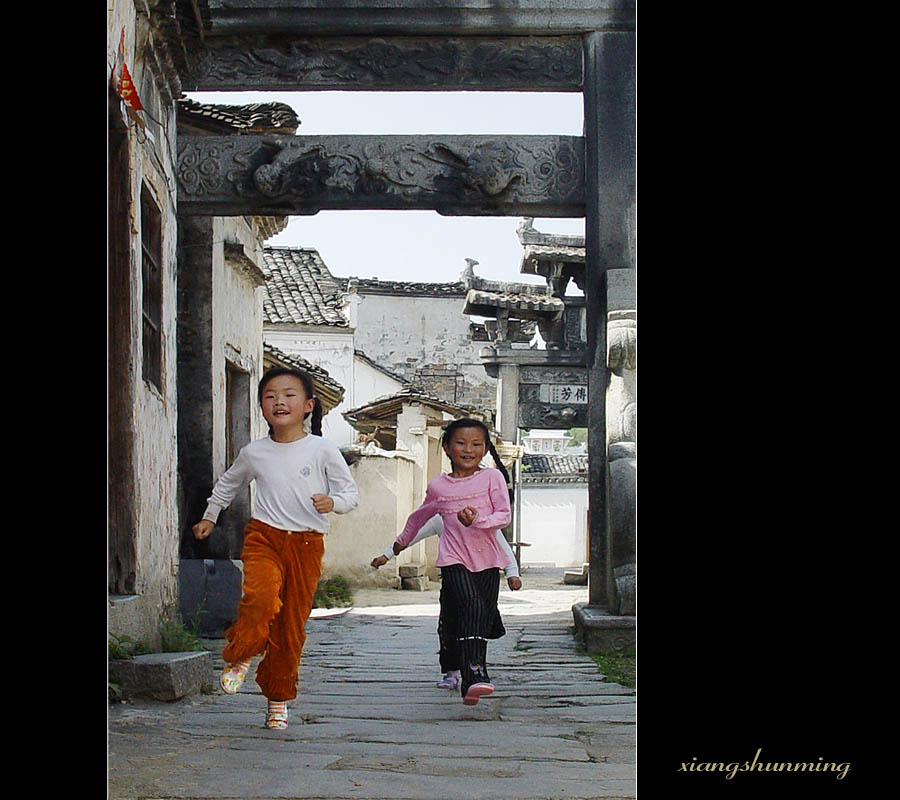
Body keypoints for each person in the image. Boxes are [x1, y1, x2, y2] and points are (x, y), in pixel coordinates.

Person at [192, 366, 359, 730]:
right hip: (264, 537)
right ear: (262, 409)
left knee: (290, 627)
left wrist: (333, 503)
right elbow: (227, 484)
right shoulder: (255, 452)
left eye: (289, 395)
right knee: (261, 599)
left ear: (309, 405)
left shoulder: (323, 450)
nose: (279, 401)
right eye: (269, 396)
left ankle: (278, 699)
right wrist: (209, 516)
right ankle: (242, 654)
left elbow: (351, 495)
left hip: (306, 544)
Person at [380, 417, 513, 705]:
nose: (469, 450)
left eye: (477, 444)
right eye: (461, 443)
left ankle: (469, 683)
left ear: (486, 448)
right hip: (453, 560)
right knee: (473, 606)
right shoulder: (439, 486)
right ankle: (476, 673)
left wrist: (479, 520)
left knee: (479, 616)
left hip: (488, 561)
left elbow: (504, 515)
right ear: (447, 448)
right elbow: (419, 517)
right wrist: (400, 543)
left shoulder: (492, 478)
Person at [371, 514, 522, 689]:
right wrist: (387, 555)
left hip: (484, 575)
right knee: (450, 625)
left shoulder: (483, 515)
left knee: (478, 624)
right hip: (454, 577)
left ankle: (476, 669)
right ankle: (452, 672)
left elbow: (500, 542)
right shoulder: (440, 517)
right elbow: (412, 535)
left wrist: (512, 572)